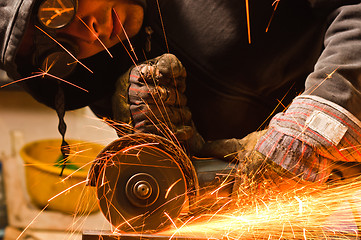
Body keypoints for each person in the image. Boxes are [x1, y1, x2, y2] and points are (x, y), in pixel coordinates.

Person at [2, 0, 361, 193]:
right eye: (62, 50)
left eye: (61, 11)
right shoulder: (114, 79)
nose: (88, 35)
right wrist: (178, 170)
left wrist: (321, 118)